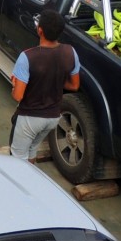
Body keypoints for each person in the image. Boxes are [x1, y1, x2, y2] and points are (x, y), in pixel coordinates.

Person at [9, 8, 80, 162]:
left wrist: (14, 85)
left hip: (30, 118)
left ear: (39, 30)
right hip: (53, 117)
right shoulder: (71, 52)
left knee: (17, 159)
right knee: (32, 150)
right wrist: (55, 79)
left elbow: (18, 96)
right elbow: (74, 86)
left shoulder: (27, 57)